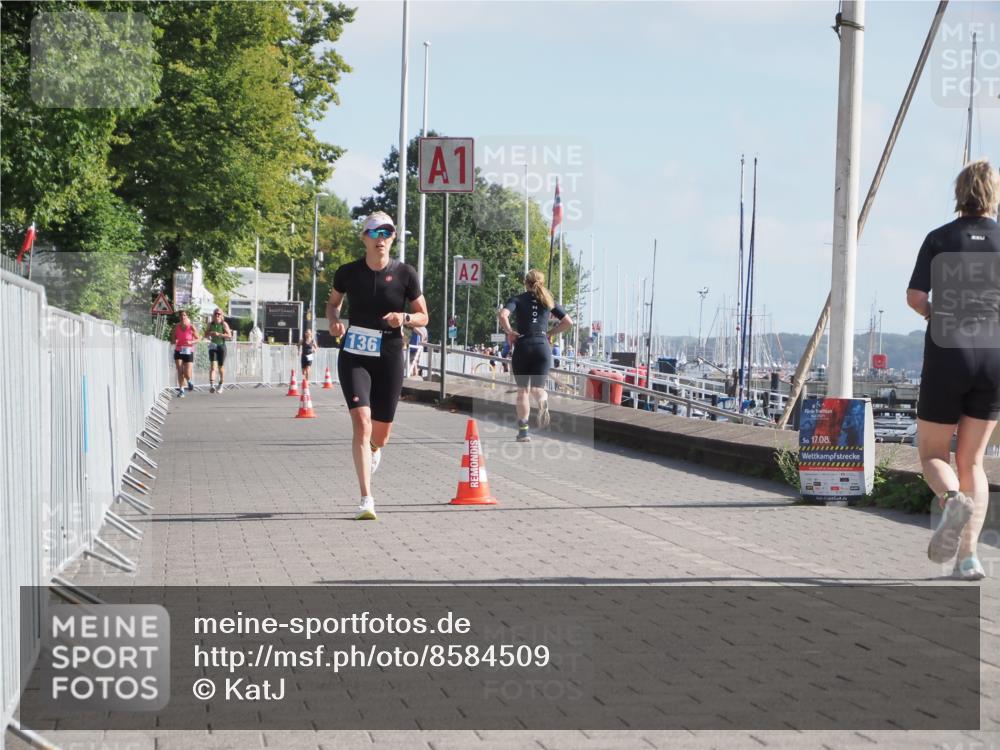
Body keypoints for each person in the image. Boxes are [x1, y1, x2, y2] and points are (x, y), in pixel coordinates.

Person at [907, 159, 1000, 580]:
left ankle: (950, 500)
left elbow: (914, 296)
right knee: (974, 462)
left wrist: (933, 314)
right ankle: (968, 559)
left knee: (932, 454)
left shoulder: (940, 238)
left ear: (960, 192)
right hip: (994, 356)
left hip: (949, 351)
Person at [327, 212, 429, 520]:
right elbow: (333, 303)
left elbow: (424, 315)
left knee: (380, 435)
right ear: (364, 238)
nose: (381, 237)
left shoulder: (405, 274)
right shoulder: (347, 272)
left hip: (389, 352)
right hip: (355, 352)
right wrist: (334, 322)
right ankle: (366, 499)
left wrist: (406, 319)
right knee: (362, 422)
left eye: (387, 232)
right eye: (375, 232)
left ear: (394, 237)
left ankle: (374, 449)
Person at [498, 269, 574, 442]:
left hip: (523, 345)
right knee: (537, 389)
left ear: (526, 283)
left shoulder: (517, 299)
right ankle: (542, 400)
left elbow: (503, 314)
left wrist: (510, 331)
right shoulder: (548, 300)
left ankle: (523, 431)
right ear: (541, 282)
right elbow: (568, 322)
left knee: (522, 392)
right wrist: (549, 332)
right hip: (542, 346)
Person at [204, 308, 232, 394]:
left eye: (219, 314)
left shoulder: (223, 324)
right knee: (213, 366)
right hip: (213, 346)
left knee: (220, 367)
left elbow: (229, 335)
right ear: (213, 315)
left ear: (221, 315)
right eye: (215, 314)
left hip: (221, 346)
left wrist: (219, 334)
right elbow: (205, 334)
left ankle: (221, 384)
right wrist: (209, 334)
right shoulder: (210, 324)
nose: (217, 315)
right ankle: (212, 385)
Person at [172, 310, 199, 397]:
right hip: (179, 350)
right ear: (179, 318)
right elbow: (172, 338)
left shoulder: (191, 327)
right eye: (181, 316)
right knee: (180, 371)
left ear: (187, 317)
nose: (182, 317)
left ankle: (189, 381)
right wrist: (174, 341)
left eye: (184, 315)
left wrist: (191, 342)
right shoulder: (176, 327)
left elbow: (198, 338)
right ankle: (181, 390)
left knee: (187, 373)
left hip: (188, 350)